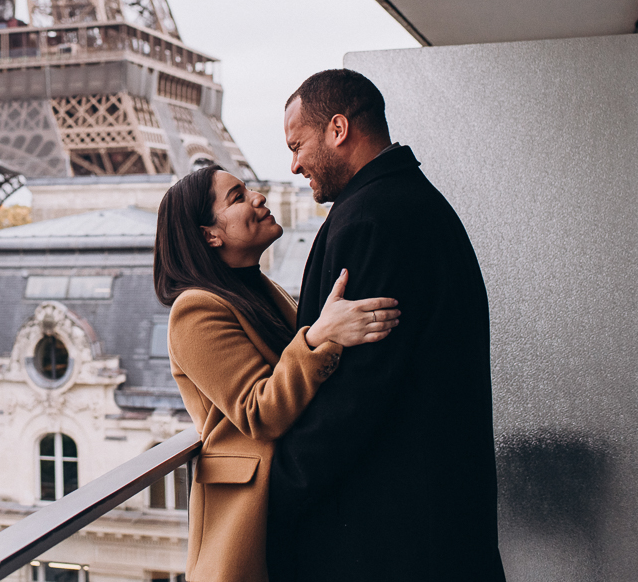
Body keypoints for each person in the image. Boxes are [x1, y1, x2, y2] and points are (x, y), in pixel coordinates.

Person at [266, 69, 505, 582]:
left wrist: (276, 487)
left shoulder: (371, 219)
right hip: (434, 524)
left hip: (391, 537)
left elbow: (354, 392)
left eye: (297, 145)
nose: (293, 165)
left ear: (338, 128)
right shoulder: (413, 202)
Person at [156, 165, 400, 582]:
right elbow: (258, 412)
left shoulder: (257, 288)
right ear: (208, 235)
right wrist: (320, 335)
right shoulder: (194, 310)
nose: (258, 197)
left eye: (248, 188)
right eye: (237, 196)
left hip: (292, 494)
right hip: (256, 513)